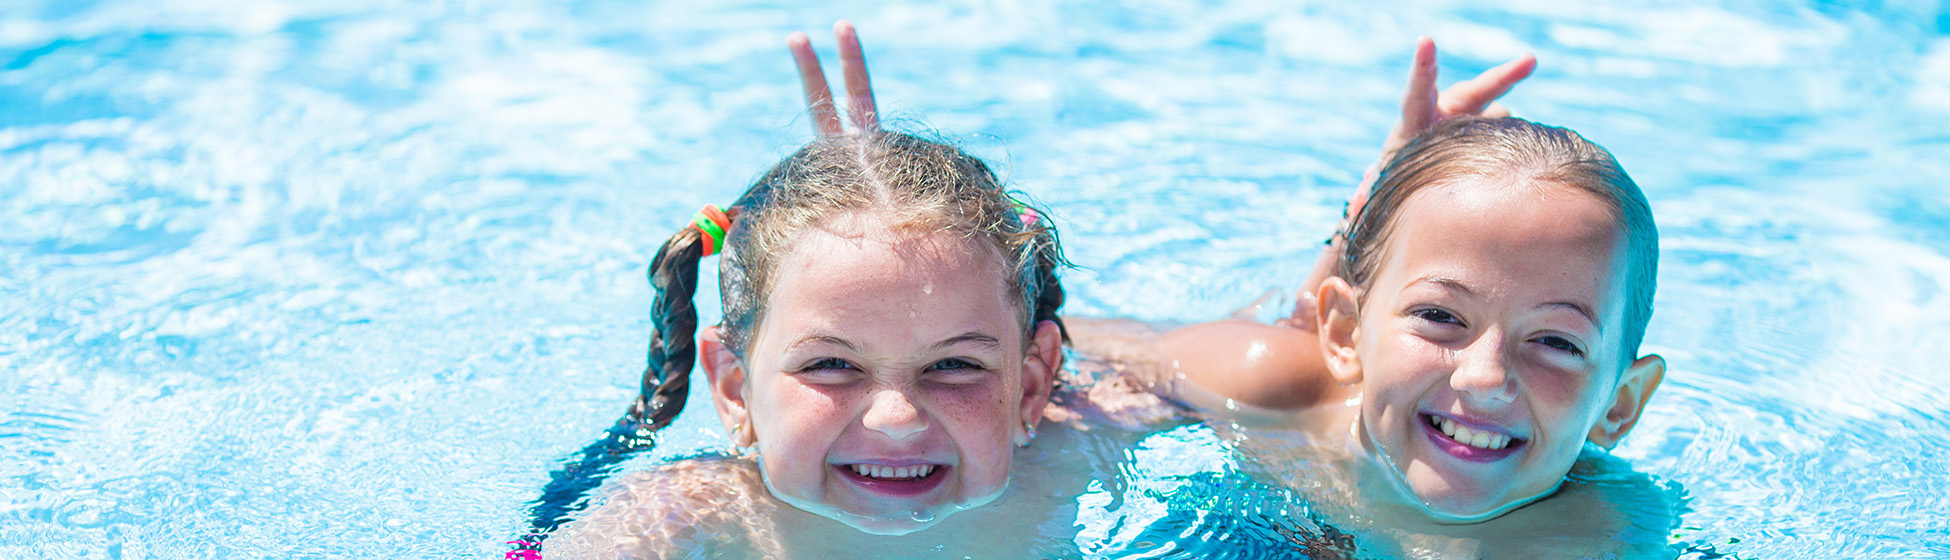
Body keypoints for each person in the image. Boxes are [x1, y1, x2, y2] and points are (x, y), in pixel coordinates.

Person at [531, 22, 1185, 559]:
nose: (895, 420)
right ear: (735, 390)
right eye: (832, 364)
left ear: (1035, 385)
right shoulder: (684, 516)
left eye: (954, 364)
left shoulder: (1076, 445)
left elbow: (1271, 372)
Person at [1070, 39, 1676, 557]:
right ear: (1344, 336)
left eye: (1555, 341)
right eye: (1440, 316)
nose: (1485, 378)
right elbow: (1057, 349)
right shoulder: (1272, 392)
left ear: (1621, 405)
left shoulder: (1607, 535)